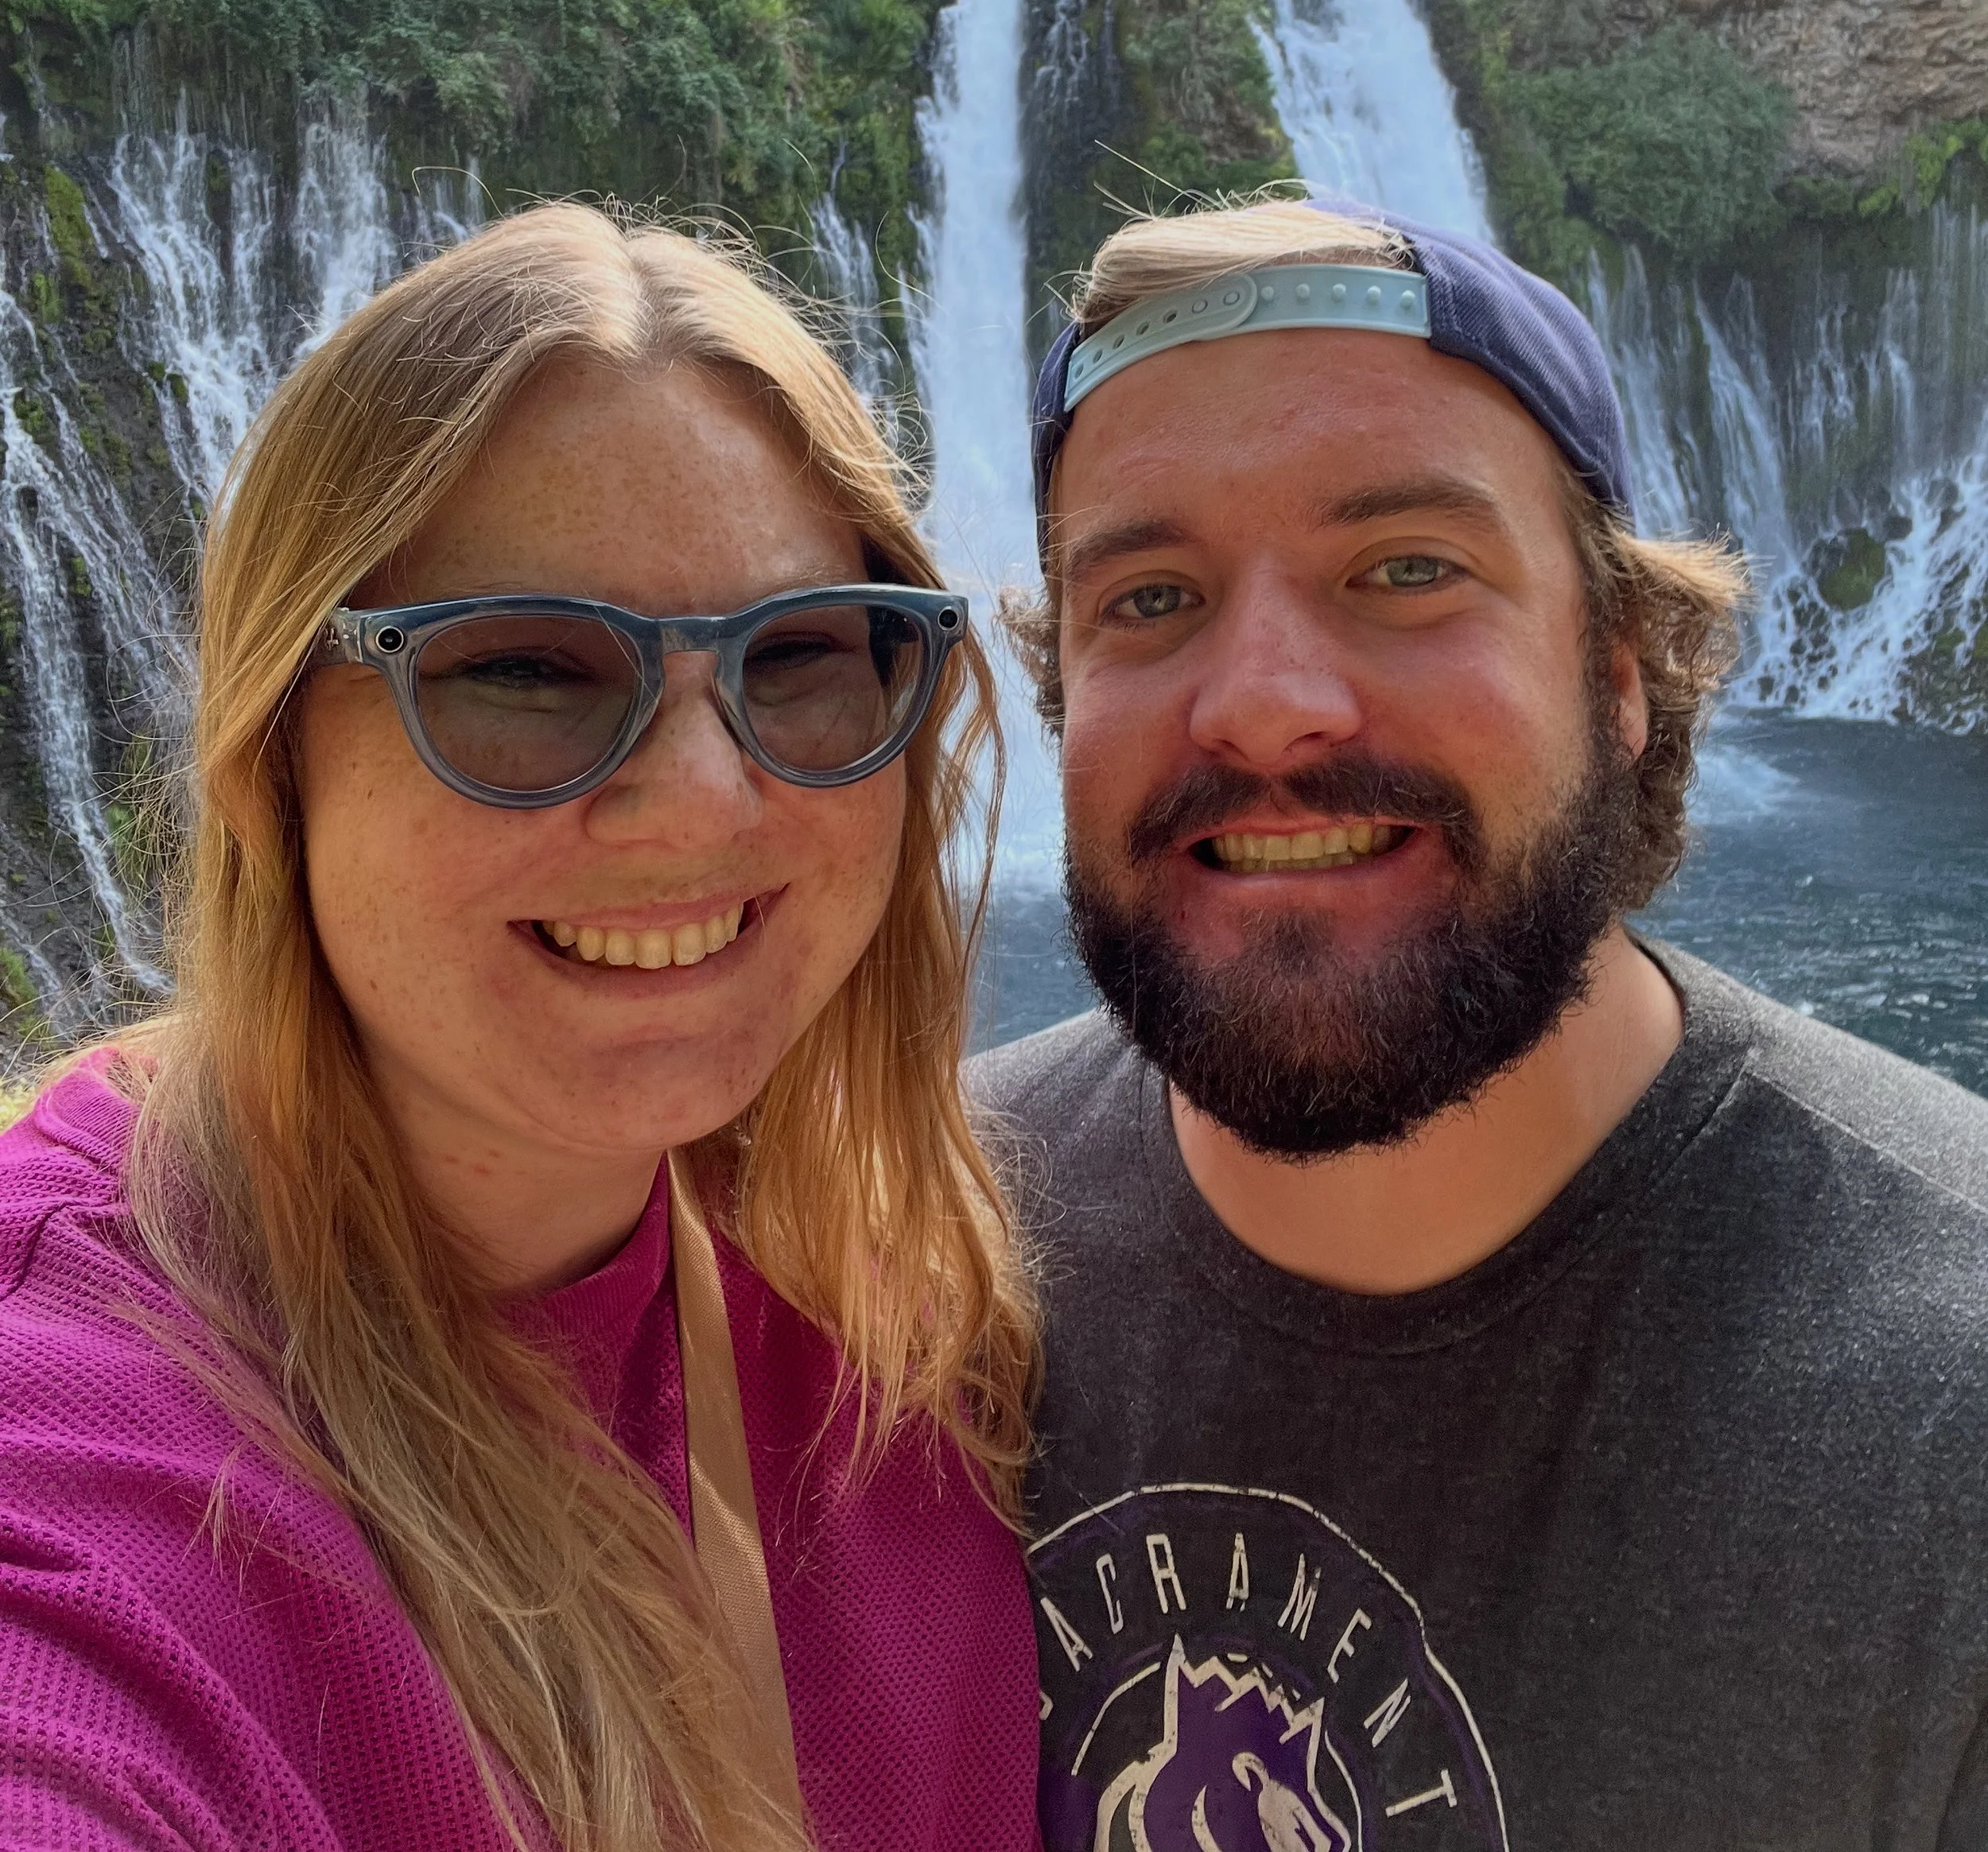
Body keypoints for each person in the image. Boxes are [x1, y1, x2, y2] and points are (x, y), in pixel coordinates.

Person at [0, 204, 1041, 1852]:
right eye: (526, 673)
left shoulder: (923, 1313)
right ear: (269, 763)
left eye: (801, 658)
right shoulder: (78, 1441)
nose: (703, 801)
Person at [974, 195, 1988, 1852]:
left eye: (1403, 569)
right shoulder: (892, 1273)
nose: (1261, 699)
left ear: (1616, 669)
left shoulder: (1942, 1408)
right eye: (1146, 600)